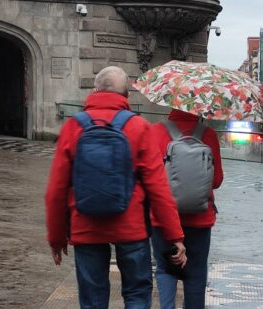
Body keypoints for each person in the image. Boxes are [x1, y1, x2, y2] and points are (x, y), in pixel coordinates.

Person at [45, 66, 187, 309]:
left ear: (95, 90)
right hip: (131, 229)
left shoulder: (73, 127)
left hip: (85, 227)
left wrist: (57, 238)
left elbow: (56, 190)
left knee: (93, 299)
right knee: (137, 294)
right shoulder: (139, 127)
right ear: (127, 96)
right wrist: (176, 236)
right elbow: (158, 189)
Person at [150, 109, 224, 309]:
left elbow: (150, 181)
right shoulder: (208, 134)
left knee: (165, 270)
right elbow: (216, 181)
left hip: (163, 219)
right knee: (196, 274)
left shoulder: (155, 132)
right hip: (200, 220)